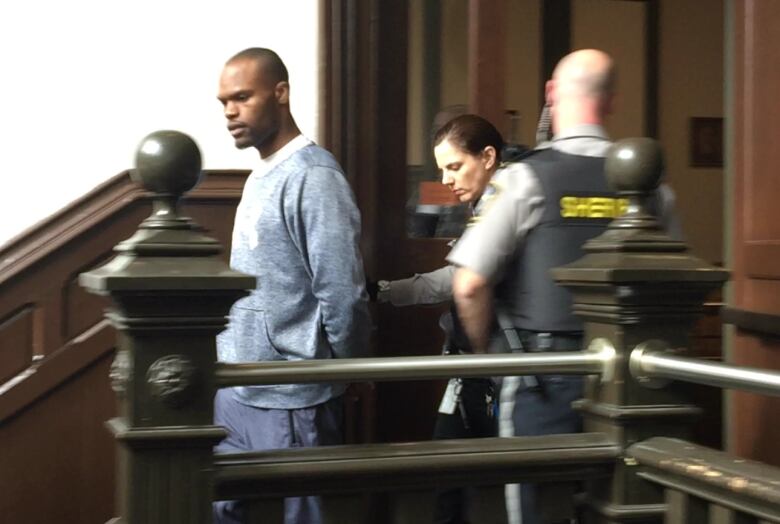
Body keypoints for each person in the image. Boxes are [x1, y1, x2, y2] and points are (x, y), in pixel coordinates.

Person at [447, 49, 682, 524]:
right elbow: (674, 285)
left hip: (542, 374)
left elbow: (469, 283)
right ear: (611, 101)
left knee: (537, 511)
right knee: (627, 506)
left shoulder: (523, 179)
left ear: (551, 96)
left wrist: (487, 360)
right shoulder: (655, 187)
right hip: (634, 385)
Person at [214, 47, 370, 524]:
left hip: (292, 394)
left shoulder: (314, 175)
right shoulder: (262, 174)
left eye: (242, 97)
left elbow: (342, 292)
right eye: (223, 102)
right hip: (238, 385)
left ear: (280, 93)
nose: (229, 112)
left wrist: (343, 370)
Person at [375, 113, 505, 524]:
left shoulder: (507, 205)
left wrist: (384, 292)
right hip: (473, 370)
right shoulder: (485, 204)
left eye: (454, 166)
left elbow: (458, 281)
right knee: (447, 479)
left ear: (488, 157)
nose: (447, 180)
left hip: (498, 370)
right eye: (441, 170)